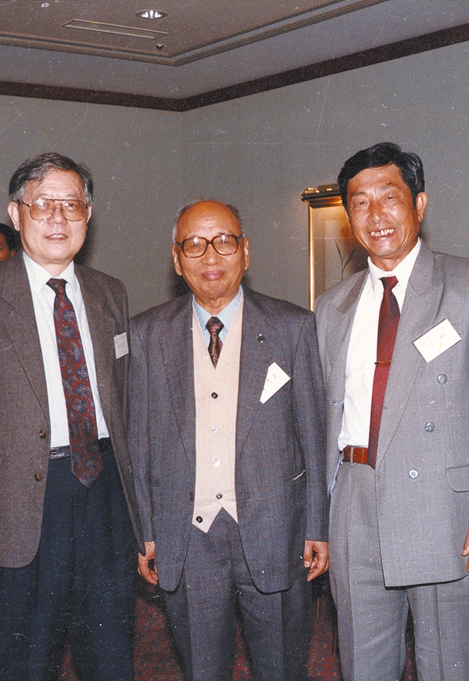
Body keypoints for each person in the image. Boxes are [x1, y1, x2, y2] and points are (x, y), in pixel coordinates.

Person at [315, 142, 469, 681]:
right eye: (360, 203)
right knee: (363, 664)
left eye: (389, 197)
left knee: (450, 666)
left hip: (445, 511)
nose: (376, 215)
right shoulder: (332, 306)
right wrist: (320, 515)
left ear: (420, 204)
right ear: (348, 217)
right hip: (354, 502)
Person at [0, 152, 141, 681]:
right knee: (26, 659)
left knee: (111, 653)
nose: (57, 218)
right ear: (15, 213)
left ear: (88, 215)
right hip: (22, 502)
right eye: (43, 204)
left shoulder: (110, 291)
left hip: (105, 494)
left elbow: (125, 404)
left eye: (71, 205)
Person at [129, 199, 329, 681]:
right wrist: (146, 529)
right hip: (187, 534)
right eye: (194, 245)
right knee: (202, 669)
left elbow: (313, 433)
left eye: (224, 241)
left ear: (245, 251)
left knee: (282, 667)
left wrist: (317, 525)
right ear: (177, 260)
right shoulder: (148, 332)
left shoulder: (292, 326)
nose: (211, 256)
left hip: (275, 530)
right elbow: (139, 441)